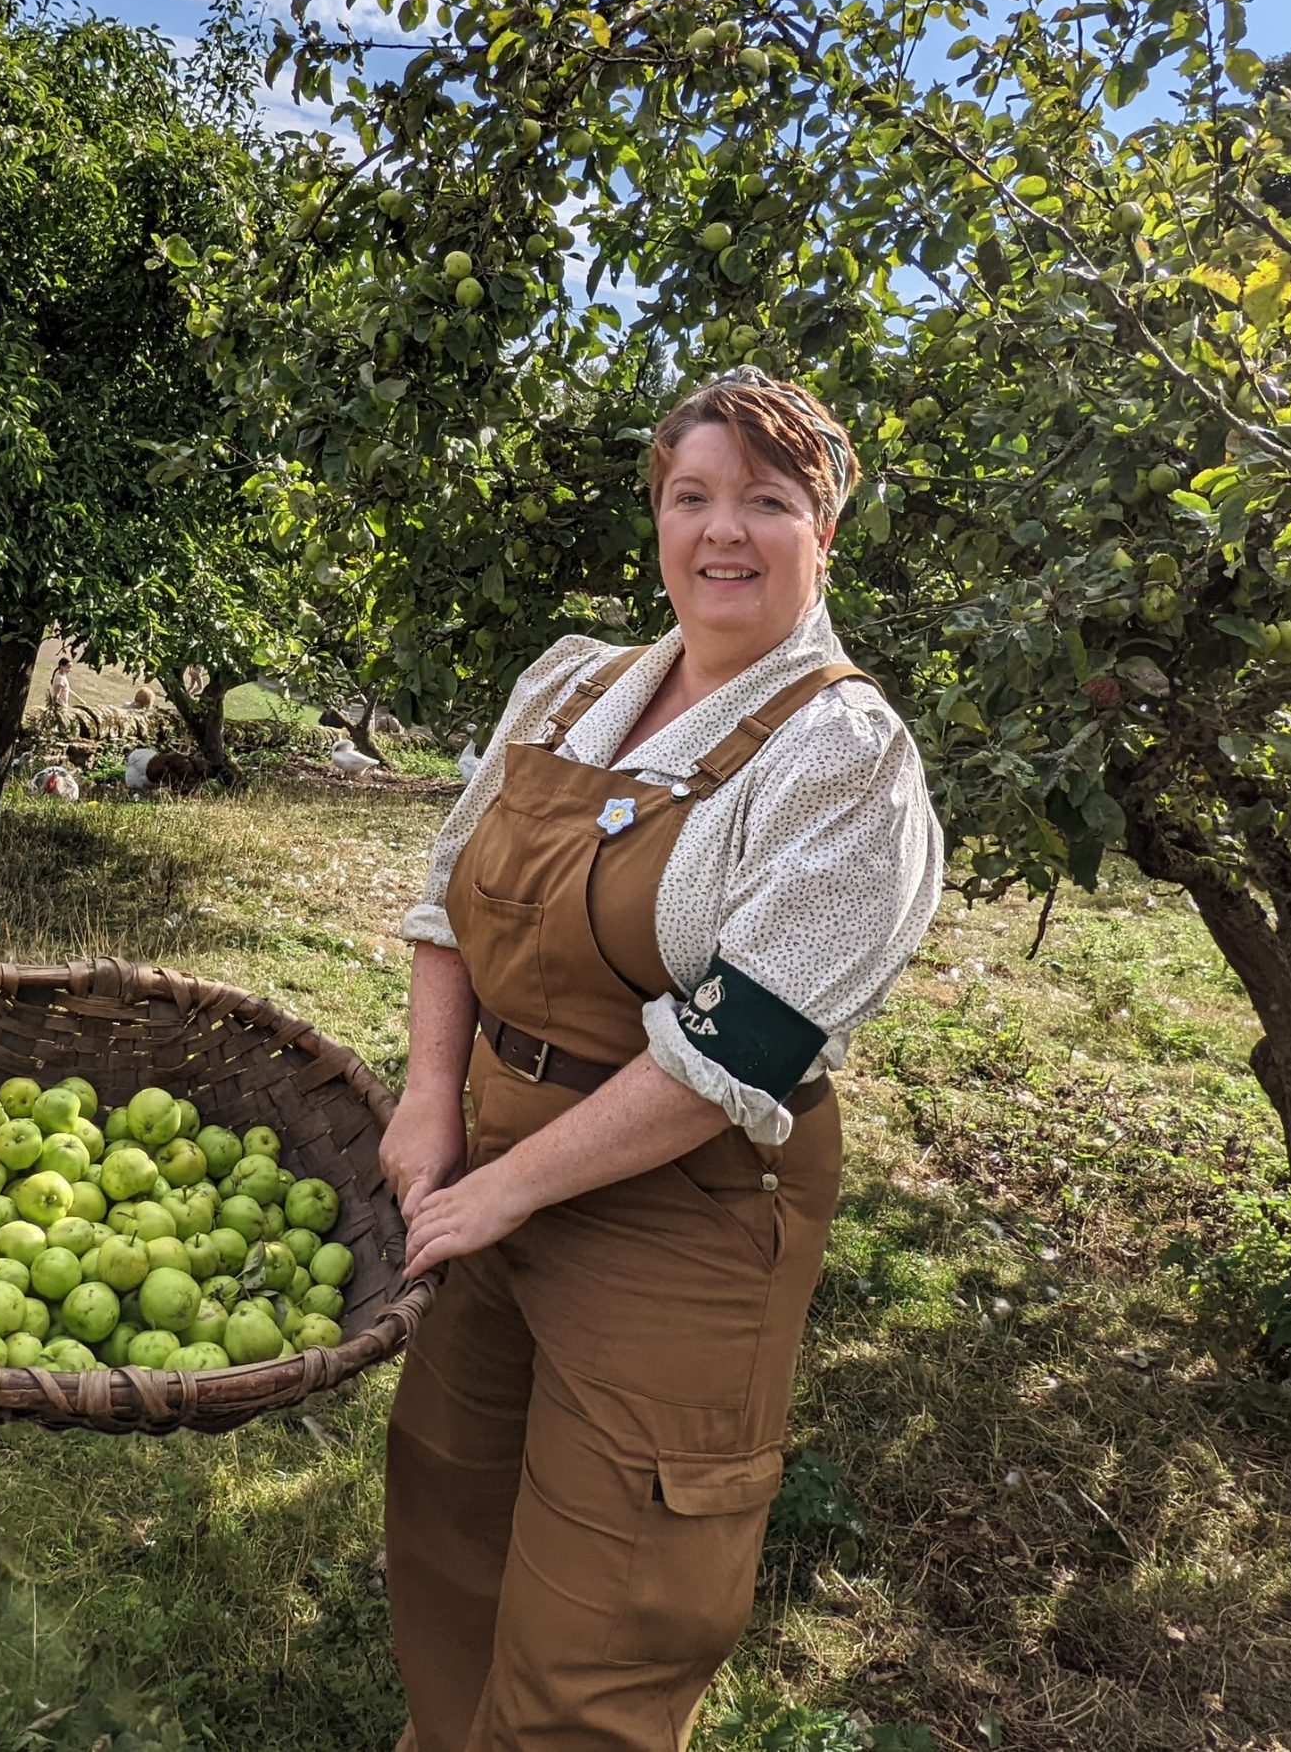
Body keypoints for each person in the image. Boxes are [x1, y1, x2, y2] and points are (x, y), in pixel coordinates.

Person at [380, 369, 944, 1752]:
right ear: (656, 518)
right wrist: (427, 1098)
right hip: (483, 1163)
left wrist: (510, 1190)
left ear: (826, 530)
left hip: (673, 1214)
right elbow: (452, 900)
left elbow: (734, 1047)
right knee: (449, 1521)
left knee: (611, 1617)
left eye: (768, 500)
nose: (722, 533)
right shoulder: (572, 684)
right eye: (691, 496)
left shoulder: (840, 757)